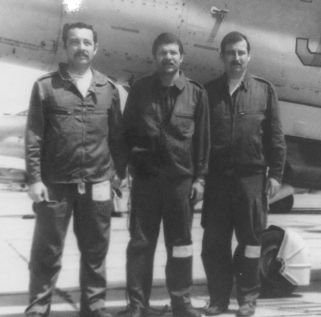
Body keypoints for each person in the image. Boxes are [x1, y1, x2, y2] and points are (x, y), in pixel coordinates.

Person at [24, 22, 127, 317]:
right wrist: (34, 179)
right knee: (47, 252)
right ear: (65, 46)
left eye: (86, 43)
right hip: (55, 184)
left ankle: (93, 309)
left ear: (96, 48)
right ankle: (38, 309)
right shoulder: (46, 86)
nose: (81, 48)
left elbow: (117, 137)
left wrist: (120, 174)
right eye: (74, 42)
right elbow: (34, 136)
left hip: (98, 182)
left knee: (95, 252)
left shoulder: (108, 89)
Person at [119, 33, 210, 317]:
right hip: (145, 182)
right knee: (140, 245)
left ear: (181, 58)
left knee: (180, 246)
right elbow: (126, 133)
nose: (168, 57)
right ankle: (137, 306)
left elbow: (203, 142)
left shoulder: (197, 93)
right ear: (154, 57)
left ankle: (181, 304)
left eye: (173, 53)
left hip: (180, 184)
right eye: (162, 53)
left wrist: (200, 179)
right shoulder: (140, 90)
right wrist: (120, 172)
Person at [201, 32, 286, 317]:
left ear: (249, 56)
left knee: (251, 244)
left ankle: (247, 299)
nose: (236, 58)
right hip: (217, 181)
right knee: (214, 245)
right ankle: (218, 299)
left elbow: (275, 136)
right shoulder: (208, 92)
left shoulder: (264, 90)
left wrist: (275, 174)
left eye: (240, 53)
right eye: (230, 53)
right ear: (221, 57)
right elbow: (199, 138)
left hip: (251, 181)